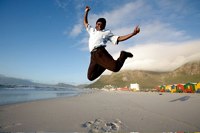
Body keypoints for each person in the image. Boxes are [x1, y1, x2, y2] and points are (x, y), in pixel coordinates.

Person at [84, 6, 140, 81]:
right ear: (96, 24)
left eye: (102, 24)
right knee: (90, 77)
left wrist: (132, 34)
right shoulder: (92, 30)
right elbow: (85, 22)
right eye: (98, 24)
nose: (100, 25)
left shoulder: (107, 33)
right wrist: (86, 12)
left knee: (115, 68)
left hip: (100, 52)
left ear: (104, 26)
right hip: (93, 56)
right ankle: (104, 65)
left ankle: (123, 55)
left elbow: (119, 38)